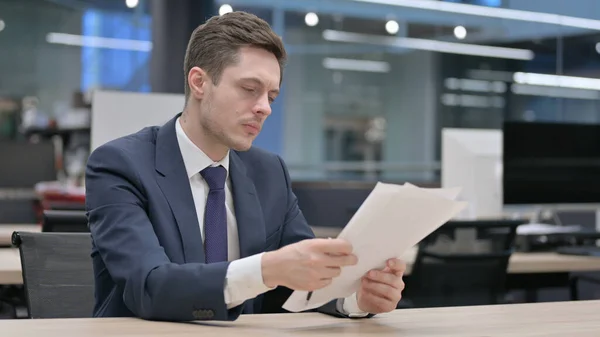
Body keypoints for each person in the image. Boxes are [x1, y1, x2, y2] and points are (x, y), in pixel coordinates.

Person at [85, 11, 406, 322]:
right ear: (199, 82)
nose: (264, 108)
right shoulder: (120, 165)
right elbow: (150, 287)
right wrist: (266, 269)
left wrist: (356, 299)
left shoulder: (269, 173)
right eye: (249, 89)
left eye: (271, 96)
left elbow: (304, 282)